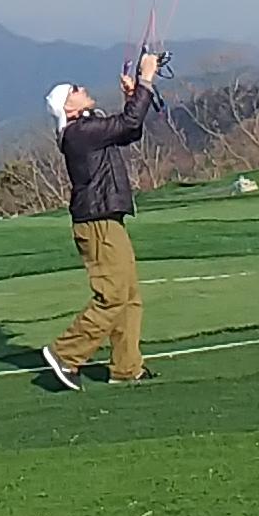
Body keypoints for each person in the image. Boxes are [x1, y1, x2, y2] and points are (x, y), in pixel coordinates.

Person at [41, 50, 164, 387]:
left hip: (106, 217)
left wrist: (133, 97)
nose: (82, 88)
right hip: (97, 222)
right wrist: (146, 80)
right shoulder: (80, 132)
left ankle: (126, 366)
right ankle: (65, 354)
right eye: (75, 89)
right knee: (112, 295)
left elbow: (128, 132)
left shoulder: (85, 129)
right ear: (69, 107)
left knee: (128, 294)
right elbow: (128, 124)